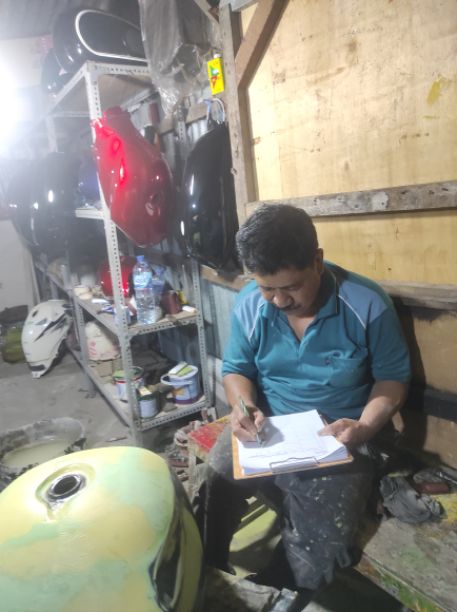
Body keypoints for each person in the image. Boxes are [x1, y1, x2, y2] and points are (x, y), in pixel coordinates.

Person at [195, 204, 411, 595]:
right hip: (270, 425)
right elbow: (236, 369)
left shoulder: (365, 303)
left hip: (342, 434)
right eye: (267, 288)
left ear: (317, 261)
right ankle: (208, 566)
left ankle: (279, 594)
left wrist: (364, 427)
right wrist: (243, 408)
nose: (278, 300)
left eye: (291, 287)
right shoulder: (251, 302)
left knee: (319, 541)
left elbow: (392, 380)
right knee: (217, 478)